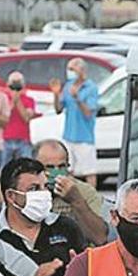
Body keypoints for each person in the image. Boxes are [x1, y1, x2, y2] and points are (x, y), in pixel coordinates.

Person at [34, 139, 108, 245]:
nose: (56, 172)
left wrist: (76, 200)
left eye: (61, 166)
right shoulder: (28, 192)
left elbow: (100, 237)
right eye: (49, 167)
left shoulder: (84, 191)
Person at [49, 58, 99, 188]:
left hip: (84, 137)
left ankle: (91, 198)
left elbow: (88, 113)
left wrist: (77, 98)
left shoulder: (91, 88)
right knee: (68, 170)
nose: (69, 72)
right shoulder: (68, 85)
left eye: (72, 69)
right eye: (69, 69)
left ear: (82, 70)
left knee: (89, 171)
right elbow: (59, 109)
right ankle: (69, 196)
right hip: (69, 135)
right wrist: (56, 94)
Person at [2, 71, 39, 163]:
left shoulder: (29, 100)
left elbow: (26, 118)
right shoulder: (3, 98)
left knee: (25, 166)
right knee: (3, 168)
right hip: (5, 138)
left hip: (23, 139)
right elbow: (3, 117)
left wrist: (18, 101)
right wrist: (12, 103)